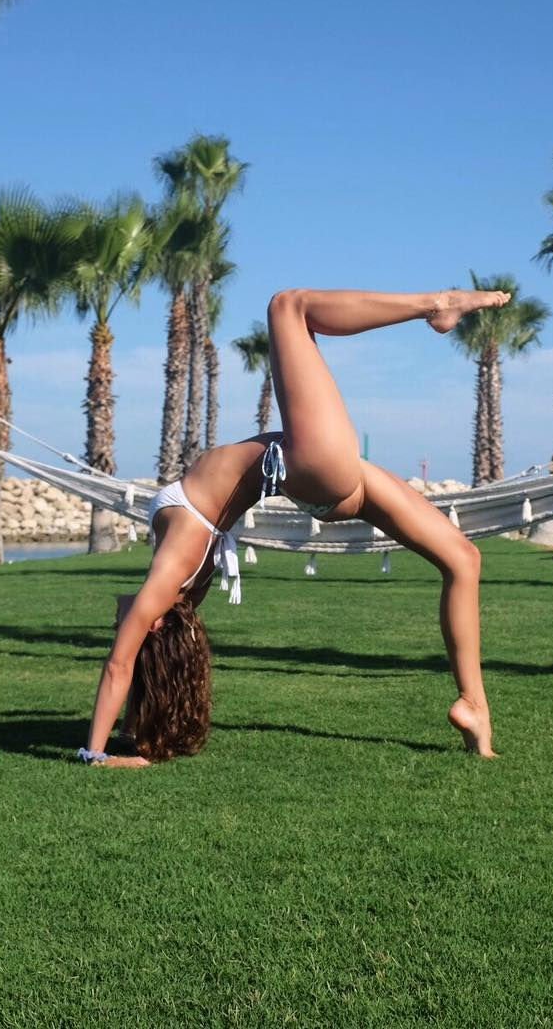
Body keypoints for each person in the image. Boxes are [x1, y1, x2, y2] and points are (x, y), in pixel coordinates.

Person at [79, 287, 511, 768]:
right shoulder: (169, 578)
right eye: (125, 624)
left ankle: (474, 707)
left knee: (463, 559)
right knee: (289, 306)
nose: (116, 619)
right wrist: (95, 754)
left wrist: (136, 731)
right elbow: (120, 665)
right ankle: (436, 305)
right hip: (312, 468)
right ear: (154, 623)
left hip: (322, 482)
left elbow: (142, 667)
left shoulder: (179, 594)